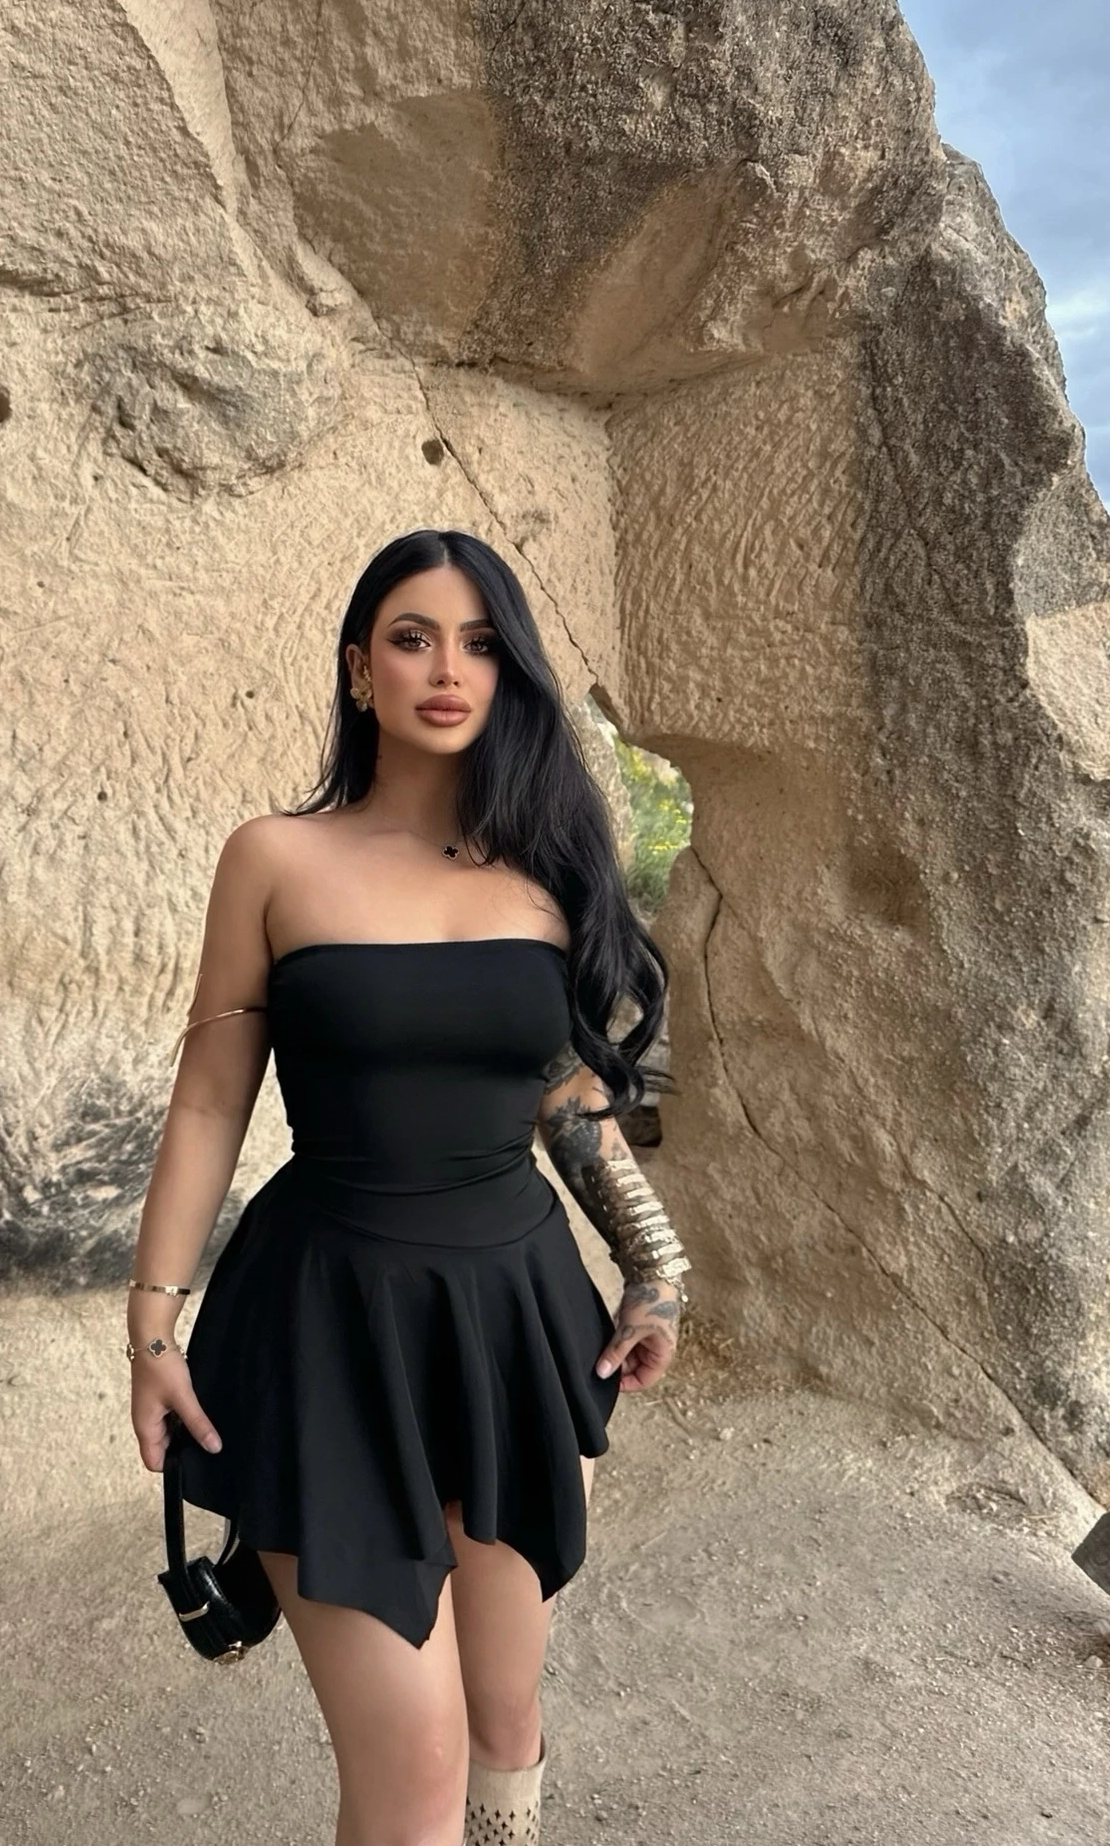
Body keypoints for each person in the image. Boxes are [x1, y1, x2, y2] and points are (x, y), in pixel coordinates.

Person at [125, 526, 690, 1846]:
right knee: (414, 1772)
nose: (448, 669)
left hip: (510, 1318)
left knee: (504, 1719)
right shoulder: (275, 857)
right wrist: (151, 1324)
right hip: (326, 1318)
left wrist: (656, 1270)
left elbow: (568, 1093)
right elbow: (209, 1100)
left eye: (481, 644)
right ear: (357, 668)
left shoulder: (550, 869)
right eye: (413, 637)